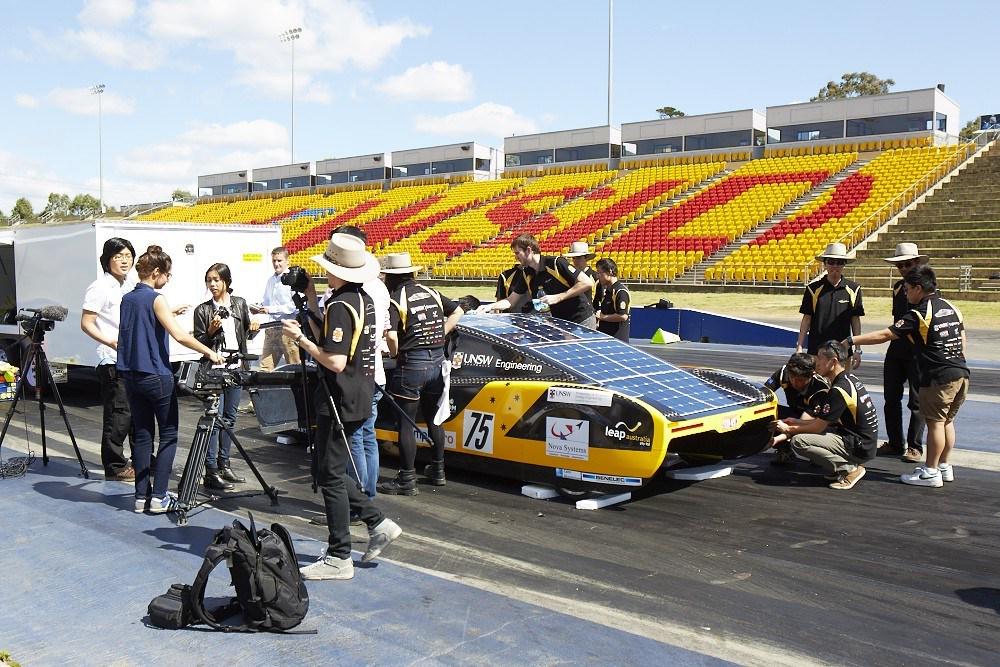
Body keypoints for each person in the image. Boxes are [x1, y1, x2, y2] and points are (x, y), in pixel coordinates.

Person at [282, 234, 401, 580]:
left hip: (341, 396)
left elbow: (333, 360)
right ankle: (377, 522)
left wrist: (301, 339)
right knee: (324, 468)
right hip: (359, 391)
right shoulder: (360, 298)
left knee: (331, 475)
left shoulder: (340, 304)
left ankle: (339, 555)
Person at [117, 246, 222, 514]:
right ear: (156, 273)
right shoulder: (157, 298)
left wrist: (169, 312)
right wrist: (210, 352)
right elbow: (180, 336)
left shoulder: (128, 299)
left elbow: (143, 324)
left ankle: (141, 498)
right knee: (168, 435)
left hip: (131, 376)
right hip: (156, 375)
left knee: (142, 436)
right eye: (168, 274)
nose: (168, 278)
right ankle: (160, 497)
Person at [847, 266, 970, 489]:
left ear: (918, 288)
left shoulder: (919, 313)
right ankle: (944, 466)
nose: (905, 293)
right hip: (961, 372)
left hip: (938, 376)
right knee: (948, 422)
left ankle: (930, 471)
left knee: (935, 423)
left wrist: (852, 341)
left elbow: (885, 335)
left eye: (907, 289)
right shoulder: (952, 307)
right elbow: (963, 341)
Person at [378, 253, 464, 495]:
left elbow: (392, 336)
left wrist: (395, 355)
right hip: (437, 361)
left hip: (412, 364)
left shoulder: (396, 298)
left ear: (392, 277)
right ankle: (438, 470)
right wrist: (442, 334)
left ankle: (406, 479)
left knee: (406, 423)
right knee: (434, 417)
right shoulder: (432, 292)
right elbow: (458, 311)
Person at [329, 224, 389, 500]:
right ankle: (369, 496)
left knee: (355, 439)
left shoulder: (351, 294)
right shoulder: (378, 287)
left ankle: (359, 501)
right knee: (367, 438)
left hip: (354, 374)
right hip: (373, 369)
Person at [771, 341, 878, 491]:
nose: (816, 362)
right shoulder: (849, 379)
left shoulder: (838, 390)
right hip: (863, 441)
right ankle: (841, 467)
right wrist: (795, 422)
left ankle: (850, 469)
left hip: (858, 445)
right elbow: (821, 421)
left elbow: (817, 427)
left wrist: (788, 429)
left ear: (832, 362)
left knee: (799, 442)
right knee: (803, 430)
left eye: (820, 359)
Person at [193, 263, 260, 491]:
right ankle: (210, 470)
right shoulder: (202, 310)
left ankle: (224, 464)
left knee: (229, 420)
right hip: (213, 370)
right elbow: (200, 342)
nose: (212, 284)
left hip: (235, 368)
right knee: (214, 419)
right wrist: (211, 330)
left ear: (226, 282)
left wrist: (255, 327)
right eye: (209, 280)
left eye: (216, 280)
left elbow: (245, 334)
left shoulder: (239, 304)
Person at [81, 237, 138, 481]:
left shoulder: (130, 285)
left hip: (134, 359)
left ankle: (140, 460)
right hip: (112, 360)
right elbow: (86, 323)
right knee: (118, 416)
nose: (124, 260)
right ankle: (115, 466)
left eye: (127, 255)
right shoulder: (99, 287)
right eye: (118, 256)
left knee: (136, 414)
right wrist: (110, 341)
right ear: (107, 260)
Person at [478, 233, 596, 326]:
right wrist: (489, 306)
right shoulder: (526, 273)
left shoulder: (555, 263)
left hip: (581, 319)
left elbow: (587, 282)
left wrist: (558, 297)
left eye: (517, 253)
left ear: (529, 250)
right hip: (561, 322)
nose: (516, 257)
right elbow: (511, 301)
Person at [880, 242, 929, 462]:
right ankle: (895, 442)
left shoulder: (927, 291)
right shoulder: (898, 288)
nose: (903, 269)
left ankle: (915, 447)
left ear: (917, 263)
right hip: (896, 347)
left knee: (917, 402)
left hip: (918, 351)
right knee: (890, 397)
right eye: (900, 265)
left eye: (907, 264)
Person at [796, 243, 864, 368]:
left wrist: (858, 349)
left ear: (844, 264)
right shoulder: (813, 289)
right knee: (818, 386)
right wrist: (799, 346)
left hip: (843, 352)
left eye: (839, 262)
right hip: (816, 351)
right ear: (825, 263)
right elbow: (807, 319)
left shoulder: (854, 289)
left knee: (841, 386)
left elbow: (855, 320)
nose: (835, 266)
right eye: (831, 262)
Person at [764, 352, 830, 465]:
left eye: (800, 380)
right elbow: (764, 394)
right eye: (792, 377)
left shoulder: (820, 389)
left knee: (802, 438)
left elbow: (805, 423)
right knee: (767, 411)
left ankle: (819, 453)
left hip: (818, 423)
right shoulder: (784, 373)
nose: (795, 383)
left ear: (812, 375)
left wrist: (777, 438)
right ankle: (785, 450)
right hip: (795, 414)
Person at [251, 246, 300, 371]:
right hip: (271, 327)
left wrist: (270, 309)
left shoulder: (293, 280)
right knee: (265, 367)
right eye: (274, 261)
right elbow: (266, 301)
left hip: (288, 328)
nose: (276, 263)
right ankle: (263, 390)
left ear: (287, 261)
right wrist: (258, 308)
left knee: (294, 367)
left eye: (279, 260)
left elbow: (293, 306)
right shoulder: (271, 280)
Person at [594, 258, 630, 342]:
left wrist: (603, 317)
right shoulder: (607, 291)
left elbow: (623, 316)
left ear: (610, 271)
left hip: (617, 341)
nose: (598, 276)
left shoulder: (620, 292)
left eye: (600, 273)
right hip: (606, 339)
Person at [564, 241, 604, 317]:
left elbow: (600, 299)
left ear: (586, 258)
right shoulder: (570, 275)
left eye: (578, 257)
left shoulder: (595, 276)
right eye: (573, 258)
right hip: (573, 315)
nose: (575, 261)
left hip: (589, 316)